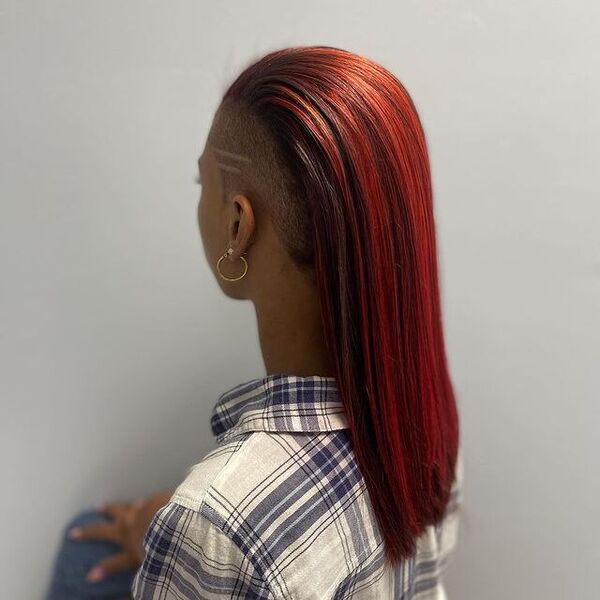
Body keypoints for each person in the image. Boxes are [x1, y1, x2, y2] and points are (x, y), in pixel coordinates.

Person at [46, 45, 463, 599]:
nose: (200, 206)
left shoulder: (217, 522)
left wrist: (192, 532)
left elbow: (237, 531)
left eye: (203, 187)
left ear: (239, 224)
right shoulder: (425, 416)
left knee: (82, 547)